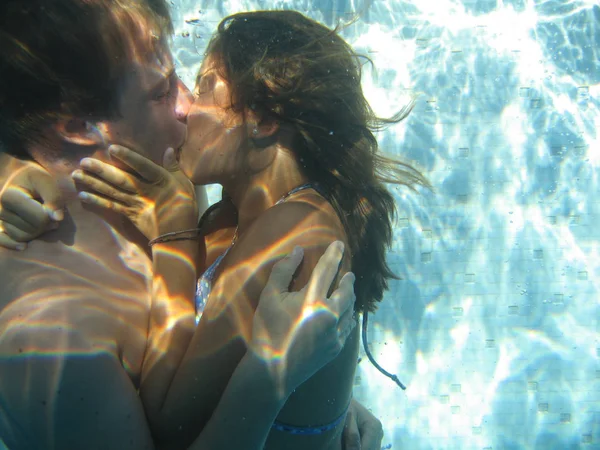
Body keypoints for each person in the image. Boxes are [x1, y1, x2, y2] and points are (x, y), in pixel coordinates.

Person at [1, 8, 430, 450]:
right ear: (74, 126)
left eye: (200, 86)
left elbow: (173, 419)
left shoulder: (270, 222)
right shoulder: (54, 340)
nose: (187, 106)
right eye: (164, 91)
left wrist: (175, 235)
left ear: (264, 119)